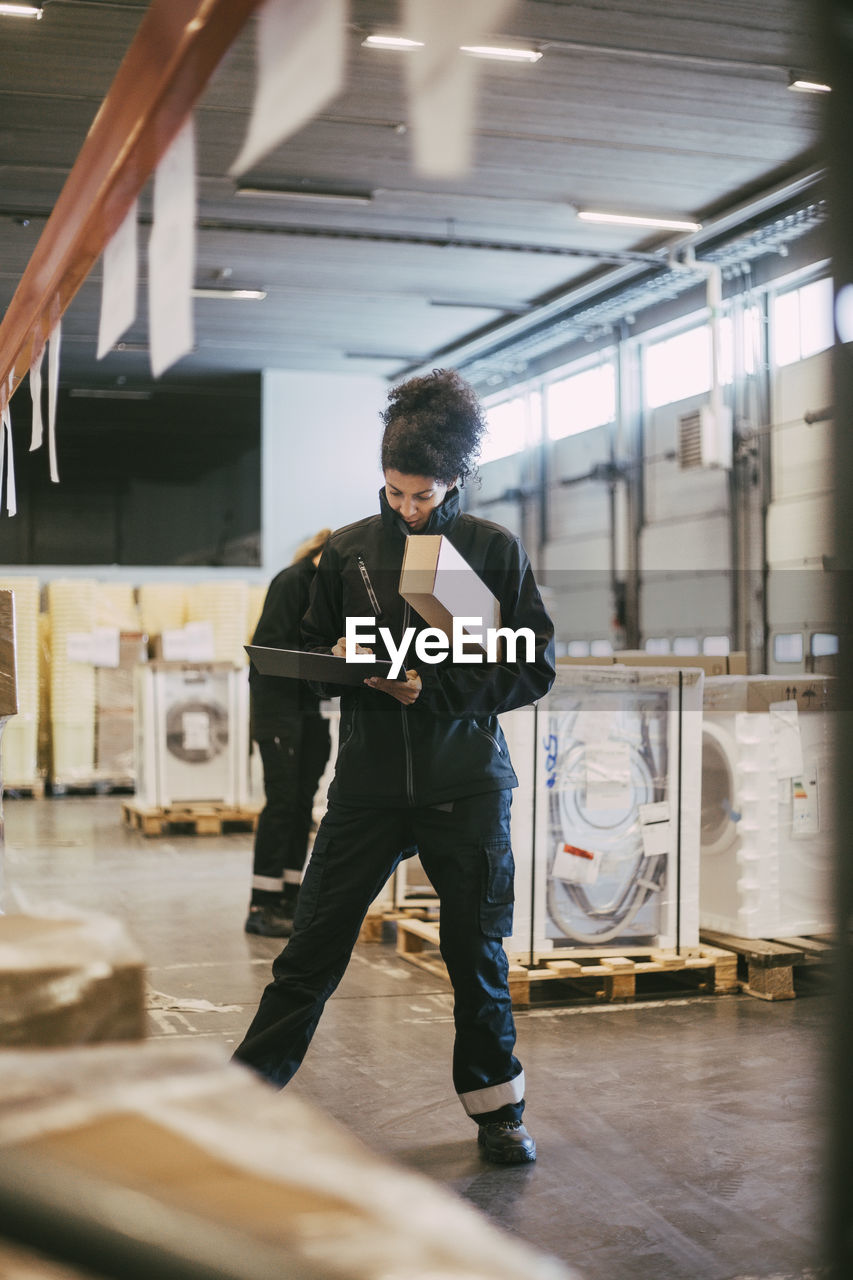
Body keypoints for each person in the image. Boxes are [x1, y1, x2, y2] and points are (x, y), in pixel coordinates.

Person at [234, 370, 555, 1165]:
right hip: (368, 788)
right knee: (308, 951)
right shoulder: (345, 552)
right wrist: (336, 660)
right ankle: (233, 1105)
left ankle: (498, 1112)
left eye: (422, 494)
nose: (407, 507)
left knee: (474, 956)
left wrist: (433, 685)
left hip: (465, 787)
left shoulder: (488, 550)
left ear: (455, 478)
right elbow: (304, 648)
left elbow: (532, 665)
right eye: (395, 492)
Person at [245, 528, 333, 937]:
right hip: (279, 709)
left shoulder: (323, 590)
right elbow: (270, 652)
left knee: (301, 805)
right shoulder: (293, 581)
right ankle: (262, 904)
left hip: (307, 709)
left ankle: (291, 894)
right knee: (282, 803)